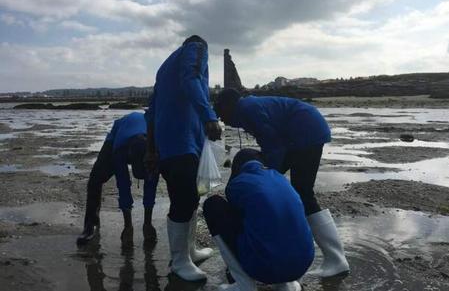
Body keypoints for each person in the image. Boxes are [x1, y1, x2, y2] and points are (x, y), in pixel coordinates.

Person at [214, 89, 349, 278]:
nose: (222, 119)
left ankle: (336, 259)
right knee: (290, 190)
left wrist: (269, 175)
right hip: (300, 134)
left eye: (221, 113)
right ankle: (330, 257)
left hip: (306, 132)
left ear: (229, 105)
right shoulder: (246, 109)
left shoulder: (247, 108)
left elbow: (274, 146)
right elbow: (271, 144)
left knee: (303, 192)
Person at [144, 35, 222, 282]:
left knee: (188, 196)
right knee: (184, 199)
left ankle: (189, 252)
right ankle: (180, 261)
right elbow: (192, 78)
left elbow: (152, 110)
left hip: (168, 143)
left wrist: (152, 148)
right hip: (183, 140)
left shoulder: (165, 66)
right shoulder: (197, 48)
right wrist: (209, 115)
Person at [203, 149, 314, 291]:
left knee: (213, 204)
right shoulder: (280, 178)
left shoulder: (238, 183)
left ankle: (244, 284)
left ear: (236, 168)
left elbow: (236, 219)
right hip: (303, 265)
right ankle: (287, 283)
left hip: (265, 269)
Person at [76, 112, 159, 246]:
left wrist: (148, 224)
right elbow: (123, 184)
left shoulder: (155, 149)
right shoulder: (119, 149)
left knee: (153, 177)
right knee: (95, 180)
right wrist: (128, 226)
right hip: (118, 135)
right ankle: (90, 225)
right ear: (130, 155)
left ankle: (147, 224)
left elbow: (152, 185)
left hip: (146, 141)